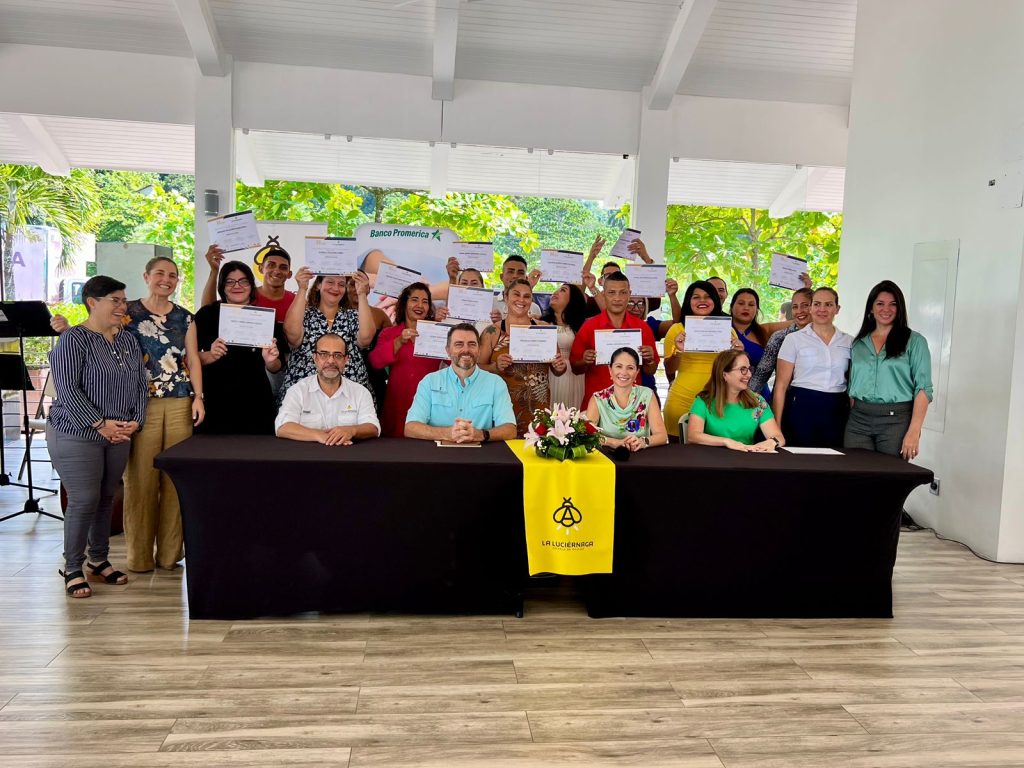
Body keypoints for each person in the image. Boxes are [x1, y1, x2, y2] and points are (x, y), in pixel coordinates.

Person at [47, 276, 149, 597]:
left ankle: (98, 560)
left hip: (119, 433)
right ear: (93, 302)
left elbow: (139, 385)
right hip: (76, 432)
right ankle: (73, 566)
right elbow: (68, 390)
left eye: (123, 300)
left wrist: (136, 421)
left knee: (107, 497)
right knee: (84, 499)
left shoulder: (129, 340)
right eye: (115, 301)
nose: (123, 306)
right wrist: (99, 423)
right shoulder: (73, 340)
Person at [122, 256, 204, 573]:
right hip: (140, 404)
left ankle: (170, 555)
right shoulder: (127, 312)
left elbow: (193, 360)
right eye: (160, 273)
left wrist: (199, 397)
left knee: (175, 479)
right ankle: (139, 558)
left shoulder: (186, 318)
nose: (166, 279)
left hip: (181, 401)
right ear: (146, 276)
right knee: (141, 479)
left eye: (172, 275)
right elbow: (98, 338)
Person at [194, 261, 284, 435]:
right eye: (230, 281)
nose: (237, 286)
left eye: (243, 281)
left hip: (256, 401)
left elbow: (277, 366)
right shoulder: (206, 315)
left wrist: (270, 361)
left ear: (251, 285)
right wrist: (210, 355)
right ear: (222, 285)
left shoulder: (264, 317)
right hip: (215, 400)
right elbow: (188, 359)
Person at [846, 280, 933, 460]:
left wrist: (914, 432)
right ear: (871, 308)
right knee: (855, 479)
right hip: (858, 421)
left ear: (899, 308)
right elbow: (852, 385)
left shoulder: (915, 342)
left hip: (896, 421)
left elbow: (923, 389)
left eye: (893, 304)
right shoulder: (858, 343)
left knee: (890, 481)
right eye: (880, 303)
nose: (886, 309)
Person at [480, 278, 567, 435]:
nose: (521, 300)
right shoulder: (492, 332)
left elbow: (557, 368)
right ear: (506, 297)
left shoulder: (544, 329)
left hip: (537, 409)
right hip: (501, 407)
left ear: (531, 300)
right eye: (516, 294)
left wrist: (560, 367)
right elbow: (477, 368)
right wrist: (495, 367)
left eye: (527, 296)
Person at [405, 323, 517, 443]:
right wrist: (447, 433)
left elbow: (510, 429)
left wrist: (480, 434)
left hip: (481, 457)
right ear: (448, 350)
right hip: (437, 457)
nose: (466, 350)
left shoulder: (496, 383)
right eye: (459, 344)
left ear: (479, 350)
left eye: (472, 344)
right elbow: (410, 427)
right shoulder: (429, 382)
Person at [280, 266, 376, 405]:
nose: (335, 288)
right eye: (330, 282)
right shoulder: (304, 315)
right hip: (304, 396)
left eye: (341, 284)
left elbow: (366, 340)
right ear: (319, 284)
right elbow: (292, 337)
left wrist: (361, 293)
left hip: (350, 397)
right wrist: (302, 288)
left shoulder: (353, 316)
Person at [773, 287, 853, 448]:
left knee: (833, 462)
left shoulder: (849, 342)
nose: (822, 309)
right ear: (810, 308)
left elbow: (852, 385)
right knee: (800, 462)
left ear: (837, 309)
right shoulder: (793, 340)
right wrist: (776, 428)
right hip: (801, 406)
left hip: (836, 408)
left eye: (829, 304)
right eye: (817, 304)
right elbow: (780, 386)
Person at [662, 280, 742, 438]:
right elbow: (669, 369)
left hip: (719, 404)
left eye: (707, 297)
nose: (702, 301)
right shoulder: (677, 330)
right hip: (681, 403)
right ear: (688, 302)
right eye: (696, 297)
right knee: (677, 459)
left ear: (715, 300)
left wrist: (739, 354)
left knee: (715, 460)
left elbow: (734, 371)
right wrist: (678, 351)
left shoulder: (728, 331)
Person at [569, 271, 659, 411]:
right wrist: (584, 360)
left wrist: (650, 359)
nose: (617, 298)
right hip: (597, 404)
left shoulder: (642, 327)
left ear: (629, 294)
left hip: (632, 405)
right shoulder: (589, 326)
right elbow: (575, 368)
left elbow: (650, 370)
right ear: (604, 294)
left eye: (622, 293)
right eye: (611, 292)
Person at [368, 282, 446, 437]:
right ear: (404, 303)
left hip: (429, 404)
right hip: (397, 404)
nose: (420, 305)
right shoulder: (389, 333)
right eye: (414, 300)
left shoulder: (436, 333)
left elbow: (455, 362)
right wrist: (399, 341)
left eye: (425, 302)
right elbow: (375, 361)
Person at [276, 333, 380, 444]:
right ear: (315, 358)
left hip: (348, 457)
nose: (331, 361)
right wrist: (318, 435)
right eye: (324, 354)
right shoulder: (297, 391)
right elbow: (282, 426)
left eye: (338, 355)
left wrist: (351, 430)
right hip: (306, 457)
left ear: (346, 360)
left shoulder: (361, 392)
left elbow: (373, 427)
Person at [687, 349, 785, 452]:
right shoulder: (703, 401)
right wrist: (726, 441)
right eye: (743, 369)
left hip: (746, 460)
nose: (749, 375)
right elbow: (693, 436)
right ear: (724, 374)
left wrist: (772, 442)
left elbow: (778, 437)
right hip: (711, 460)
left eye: (749, 369)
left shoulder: (758, 402)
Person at [586, 347, 668, 451]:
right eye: (619, 366)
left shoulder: (647, 395)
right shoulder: (597, 398)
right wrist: (614, 443)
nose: (624, 372)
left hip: (640, 456)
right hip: (607, 457)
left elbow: (662, 436)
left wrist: (643, 442)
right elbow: (588, 435)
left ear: (637, 372)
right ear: (610, 370)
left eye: (630, 368)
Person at [200, 237, 296, 321]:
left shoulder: (297, 302)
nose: (277, 271)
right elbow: (207, 313)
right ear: (260, 268)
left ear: (289, 274)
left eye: (283, 267)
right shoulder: (245, 295)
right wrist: (214, 271)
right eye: (271, 265)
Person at [749, 288, 814, 394]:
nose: (799, 311)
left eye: (805, 305)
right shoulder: (780, 337)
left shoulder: (827, 338)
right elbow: (761, 375)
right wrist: (744, 399)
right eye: (795, 307)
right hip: (785, 401)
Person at [541, 282, 588, 410]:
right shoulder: (540, 323)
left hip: (574, 375)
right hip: (550, 373)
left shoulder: (582, 326)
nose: (555, 292)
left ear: (573, 299)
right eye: (555, 290)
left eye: (562, 290)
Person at [730, 288, 771, 398]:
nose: (746, 307)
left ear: (757, 309)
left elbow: (799, 321)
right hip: (728, 394)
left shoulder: (765, 330)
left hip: (759, 396)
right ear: (731, 306)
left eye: (751, 304)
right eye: (741, 303)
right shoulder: (719, 329)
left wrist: (806, 289)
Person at [493, 255, 542, 320]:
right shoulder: (490, 303)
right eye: (510, 272)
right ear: (502, 277)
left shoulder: (534, 308)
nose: (515, 276)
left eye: (520, 273)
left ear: (526, 278)